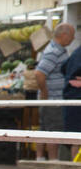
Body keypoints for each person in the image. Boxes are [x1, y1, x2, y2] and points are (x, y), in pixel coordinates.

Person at [33, 23, 74, 161]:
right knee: (53, 130)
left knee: (45, 128)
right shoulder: (53, 52)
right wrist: (45, 92)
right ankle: (53, 161)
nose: (73, 39)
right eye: (72, 36)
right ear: (64, 35)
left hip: (52, 99)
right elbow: (39, 73)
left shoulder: (58, 50)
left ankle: (40, 159)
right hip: (53, 99)